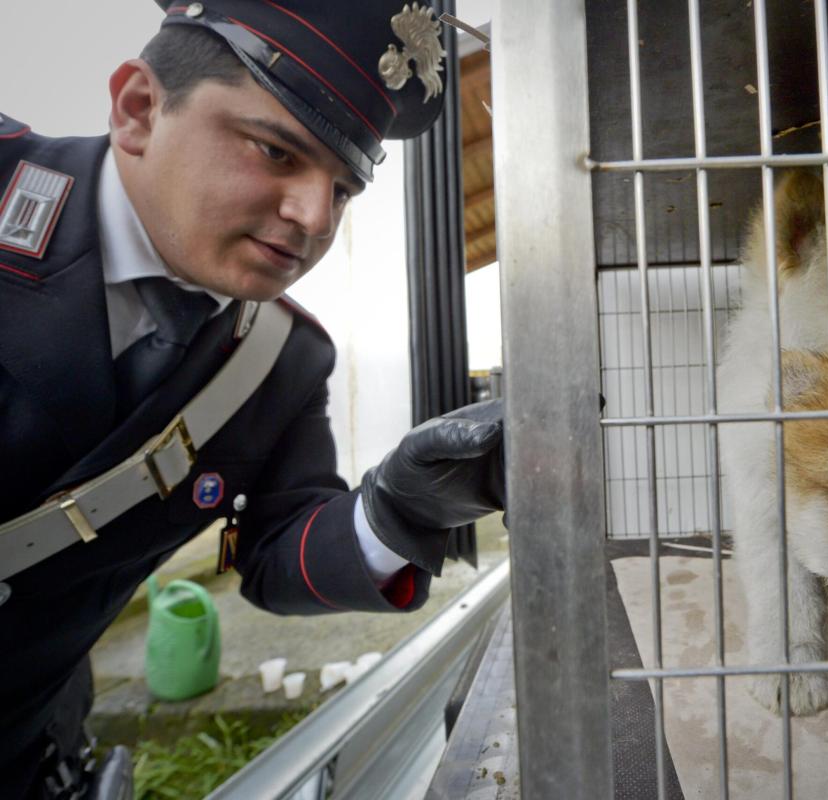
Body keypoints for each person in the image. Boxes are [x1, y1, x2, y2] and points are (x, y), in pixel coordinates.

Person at [0, 2, 504, 797]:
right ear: (139, 109)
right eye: (275, 151)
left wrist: (397, 508)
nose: (312, 217)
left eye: (343, 190)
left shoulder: (281, 361)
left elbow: (275, 551)